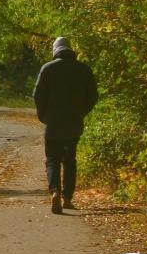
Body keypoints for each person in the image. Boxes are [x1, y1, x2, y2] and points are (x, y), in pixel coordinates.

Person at [32, 36, 98, 214]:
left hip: (53, 122)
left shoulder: (48, 68)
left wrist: (43, 115)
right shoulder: (83, 69)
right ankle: (67, 198)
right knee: (70, 160)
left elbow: (38, 95)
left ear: (55, 50)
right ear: (70, 49)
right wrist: (81, 112)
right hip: (74, 123)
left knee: (52, 158)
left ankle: (55, 192)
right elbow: (93, 96)